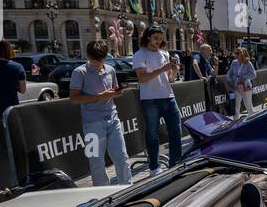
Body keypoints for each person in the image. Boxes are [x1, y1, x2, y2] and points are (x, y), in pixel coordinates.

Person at [70, 40, 133, 187]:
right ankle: (102, 193)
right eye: (94, 60)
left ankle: (127, 187)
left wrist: (115, 93)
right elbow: (73, 99)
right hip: (91, 122)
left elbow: (111, 91)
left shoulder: (110, 70)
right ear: (89, 56)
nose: (97, 63)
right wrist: (100, 96)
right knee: (96, 162)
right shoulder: (79, 72)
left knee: (122, 157)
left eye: (100, 60)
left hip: (112, 117)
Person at [132, 29, 183, 173]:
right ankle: (154, 167)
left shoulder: (164, 53)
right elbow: (142, 78)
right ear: (148, 37)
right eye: (155, 38)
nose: (158, 41)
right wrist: (162, 69)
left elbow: (170, 79)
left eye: (160, 38)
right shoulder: (139, 54)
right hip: (150, 99)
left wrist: (174, 70)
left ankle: (176, 163)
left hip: (168, 96)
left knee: (176, 132)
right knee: (152, 134)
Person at [229, 47, 256, 117]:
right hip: (236, 87)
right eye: (235, 53)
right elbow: (229, 73)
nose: (236, 55)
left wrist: (244, 77)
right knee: (236, 106)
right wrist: (229, 80)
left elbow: (253, 74)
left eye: (237, 53)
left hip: (245, 87)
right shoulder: (234, 62)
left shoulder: (248, 63)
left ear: (242, 54)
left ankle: (252, 120)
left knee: (248, 106)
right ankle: (236, 123)